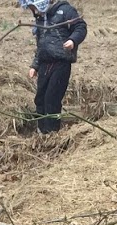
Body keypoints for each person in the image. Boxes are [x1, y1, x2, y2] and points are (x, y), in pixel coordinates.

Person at [22, 0, 86, 135]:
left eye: (35, 8)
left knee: (52, 98)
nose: (34, 11)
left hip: (61, 63)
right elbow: (41, 45)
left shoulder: (65, 10)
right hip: (45, 64)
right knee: (40, 98)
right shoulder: (40, 20)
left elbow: (80, 27)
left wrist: (73, 40)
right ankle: (41, 131)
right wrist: (35, 65)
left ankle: (52, 132)